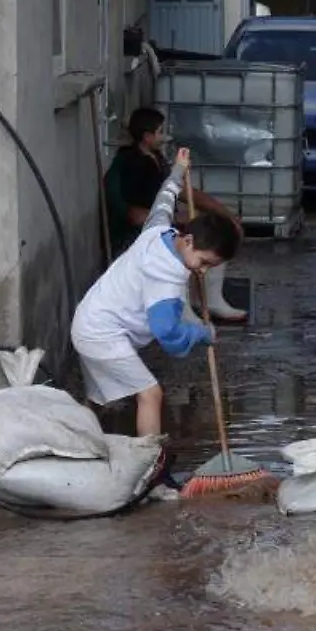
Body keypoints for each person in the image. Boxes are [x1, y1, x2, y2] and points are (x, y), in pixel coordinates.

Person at [73, 148, 241, 438]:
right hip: (102, 334)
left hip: (93, 320)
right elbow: (168, 336)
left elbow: (165, 199)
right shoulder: (166, 276)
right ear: (188, 240)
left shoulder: (160, 232)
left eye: (210, 267)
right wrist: (203, 334)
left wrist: (178, 170)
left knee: (99, 400)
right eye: (204, 263)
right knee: (150, 394)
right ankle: (152, 463)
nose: (202, 272)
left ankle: (71, 441)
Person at [105, 108, 249, 322]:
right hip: (139, 236)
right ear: (147, 136)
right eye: (160, 131)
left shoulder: (157, 159)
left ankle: (210, 300)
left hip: (164, 226)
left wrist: (224, 215)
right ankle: (183, 313)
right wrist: (177, 221)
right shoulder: (130, 165)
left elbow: (182, 190)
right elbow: (135, 214)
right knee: (183, 251)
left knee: (216, 235)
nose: (165, 136)